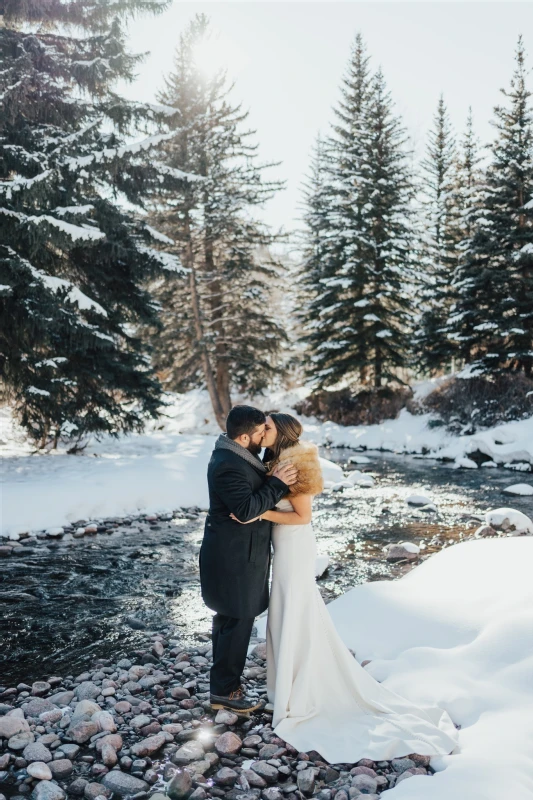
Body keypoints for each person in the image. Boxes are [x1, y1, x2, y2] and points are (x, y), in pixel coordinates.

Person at [231, 412, 460, 764]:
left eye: (269, 427)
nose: (263, 430)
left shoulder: (296, 461)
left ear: (283, 433)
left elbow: (302, 516)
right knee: (287, 612)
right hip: (284, 546)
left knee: (294, 609)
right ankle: (287, 689)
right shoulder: (274, 459)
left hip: (295, 544)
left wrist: (258, 514)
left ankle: (300, 693)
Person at [199, 405, 298, 715]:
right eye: (258, 433)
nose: (262, 437)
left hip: (237, 553)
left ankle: (223, 686)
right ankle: (226, 691)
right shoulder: (228, 464)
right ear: (243, 437)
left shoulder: (237, 454)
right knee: (237, 619)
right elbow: (245, 510)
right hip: (235, 557)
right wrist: (277, 484)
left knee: (230, 618)